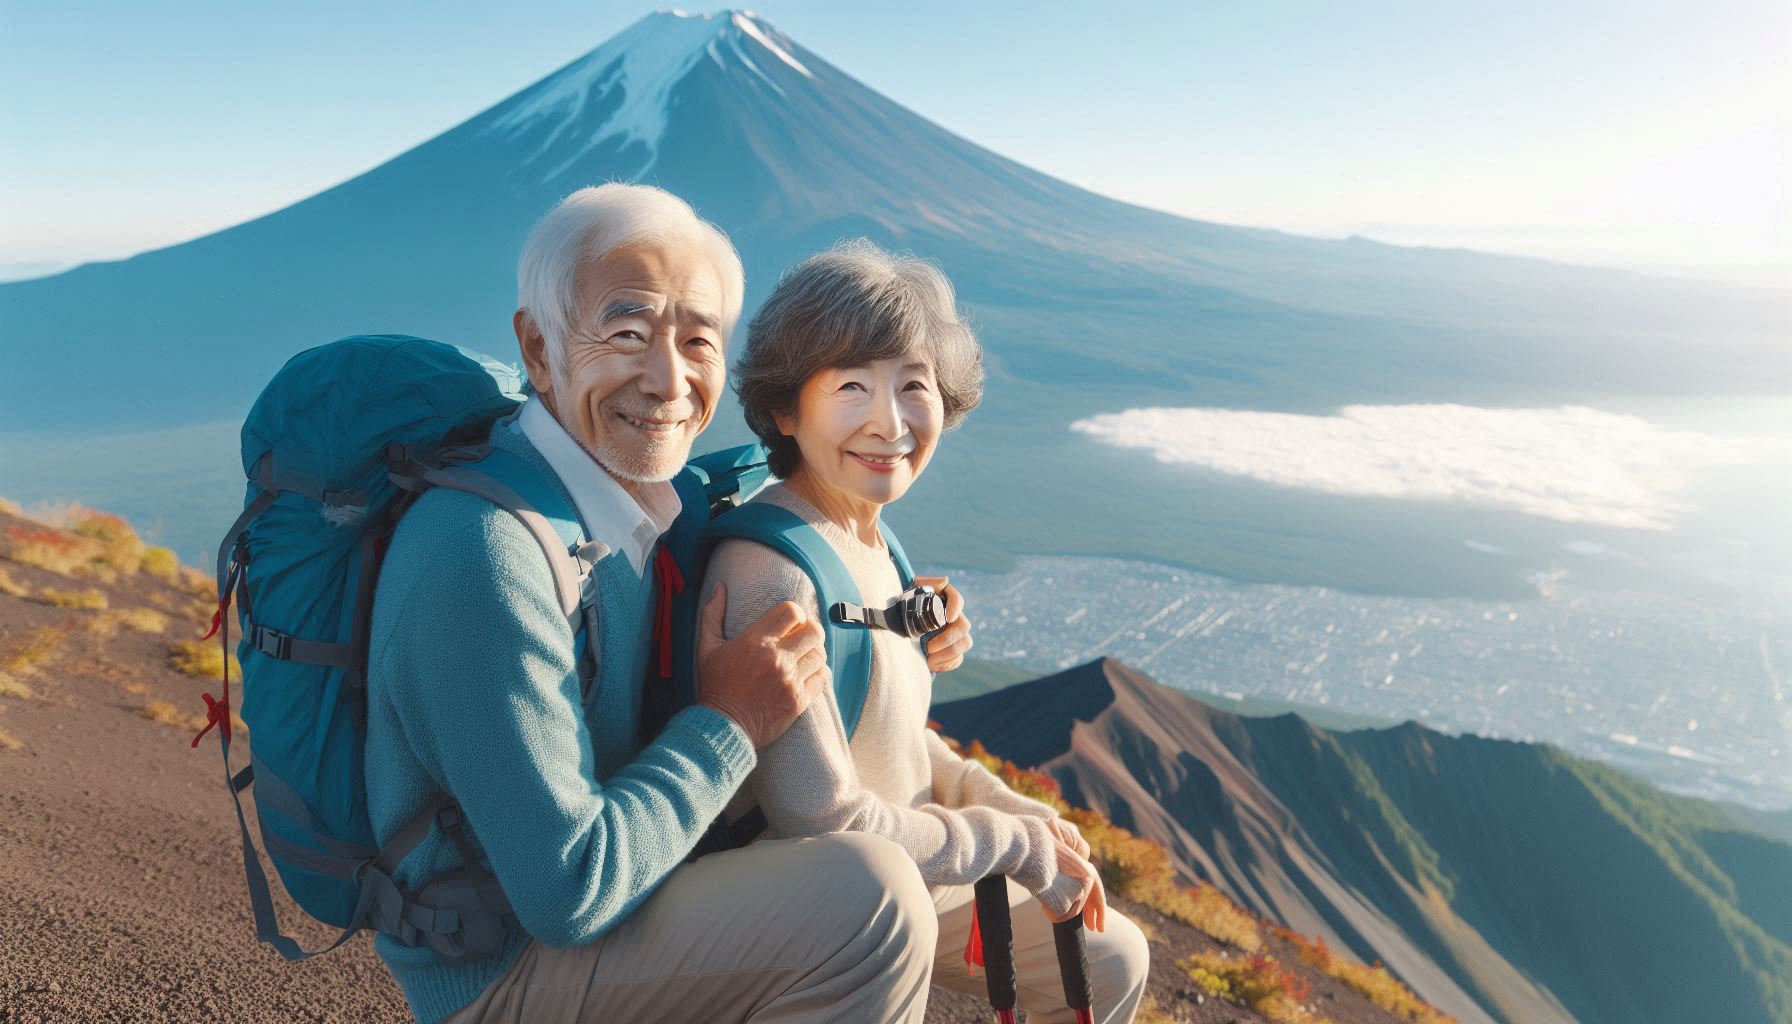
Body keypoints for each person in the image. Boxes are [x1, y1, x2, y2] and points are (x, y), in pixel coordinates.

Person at [364, 186, 938, 1024]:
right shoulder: (484, 556)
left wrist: (914, 619)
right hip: (503, 972)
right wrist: (731, 722)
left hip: (629, 902)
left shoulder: (642, 508)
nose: (669, 380)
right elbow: (570, 891)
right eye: (627, 333)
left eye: (698, 340)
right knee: (871, 897)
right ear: (538, 345)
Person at [702, 240, 1151, 1024]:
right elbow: (821, 817)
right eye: (850, 387)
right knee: (893, 931)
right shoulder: (771, 573)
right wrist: (1006, 843)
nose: (891, 420)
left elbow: (889, 737)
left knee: (1112, 956)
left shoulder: (872, 542)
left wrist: (1001, 802)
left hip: (906, 858)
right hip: (820, 900)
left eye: (914, 385)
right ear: (784, 410)